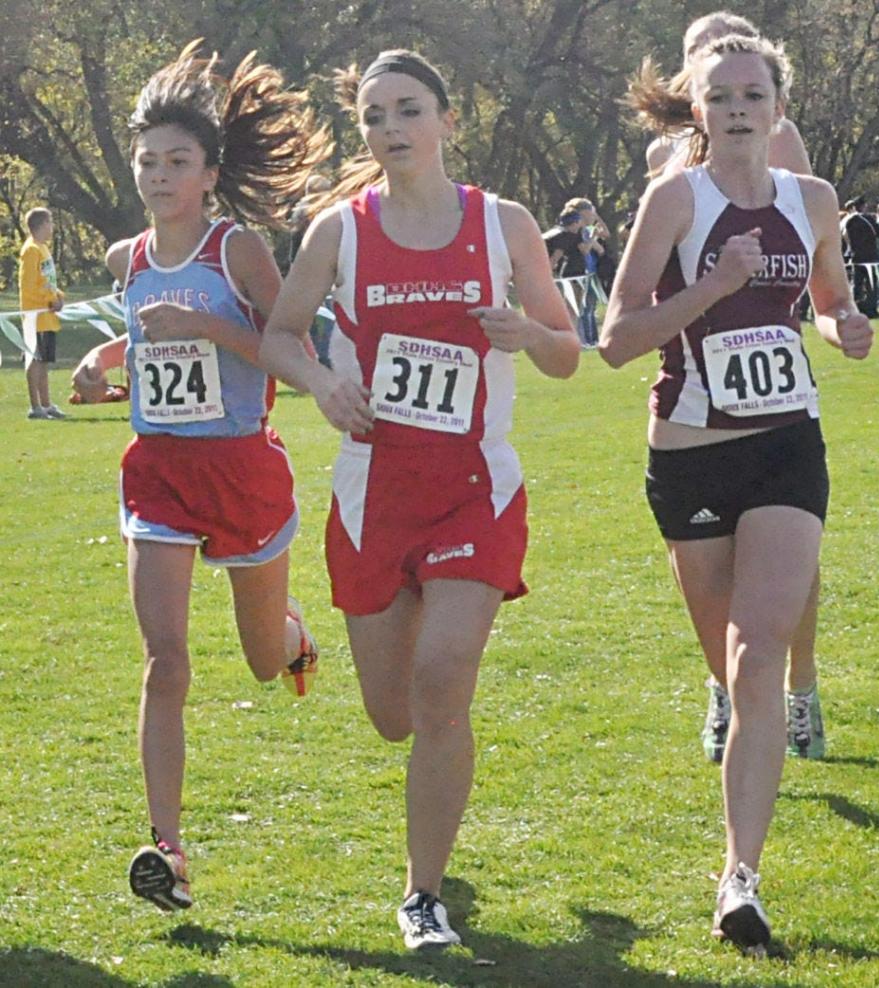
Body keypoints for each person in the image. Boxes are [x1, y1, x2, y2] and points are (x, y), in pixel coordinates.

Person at [258, 49, 579, 950]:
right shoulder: (340, 230)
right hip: (373, 494)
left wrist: (527, 332)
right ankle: (419, 756)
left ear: (444, 120)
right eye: (373, 117)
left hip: (476, 490)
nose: (390, 130)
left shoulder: (505, 224)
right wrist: (323, 383)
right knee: (393, 715)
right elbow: (282, 336)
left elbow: (566, 350)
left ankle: (421, 894)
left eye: (407, 111)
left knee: (443, 682)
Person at [600, 34, 873, 949]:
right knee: (728, 659)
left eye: (754, 95)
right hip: (691, 456)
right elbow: (617, 338)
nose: (739, 111)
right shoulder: (674, 199)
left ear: (779, 107)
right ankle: (733, 714)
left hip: (789, 448)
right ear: (699, 109)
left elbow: (824, 303)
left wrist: (844, 327)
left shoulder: (815, 201)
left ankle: (739, 880)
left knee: (758, 658)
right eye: (721, 98)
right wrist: (713, 284)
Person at [70, 41, 327, 913]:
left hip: (242, 473)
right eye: (147, 161)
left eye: (177, 161)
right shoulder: (127, 260)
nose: (158, 174)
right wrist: (104, 361)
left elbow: (294, 359)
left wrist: (211, 330)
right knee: (166, 660)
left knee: (261, 664)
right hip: (160, 476)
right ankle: (167, 851)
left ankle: (292, 634)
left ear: (209, 174)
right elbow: (151, 337)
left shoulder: (239, 250)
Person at [639, 9, 824, 763]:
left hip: (776, 394)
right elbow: (649, 281)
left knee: (791, 555)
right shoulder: (666, 163)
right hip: (691, 382)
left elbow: (809, 234)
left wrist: (834, 318)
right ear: (691, 83)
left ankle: (801, 686)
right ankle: (724, 684)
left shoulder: (781, 146)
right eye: (705, 69)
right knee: (702, 559)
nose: (727, 95)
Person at [644, 11, 812, 178]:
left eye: (717, 45)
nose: (704, 56)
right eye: (693, 51)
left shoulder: (776, 134)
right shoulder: (661, 151)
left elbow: (803, 201)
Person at [19, 207, 66, 420]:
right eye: (50, 223)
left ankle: (47, 404)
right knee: (35, 360)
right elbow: (29, 286)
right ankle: (35, 406)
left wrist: (59, 296)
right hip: (34, 316)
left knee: (44, 361)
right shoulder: (30, 251)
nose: (52, 228)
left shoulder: (43, 248)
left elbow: (48, 282)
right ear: (41, 224)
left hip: (47, 316)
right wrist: (49, 300)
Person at [842, 196, 879, 318]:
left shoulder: (850, 221)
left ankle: (854, 308)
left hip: (856, 255)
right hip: (870, 256)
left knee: (856, 284)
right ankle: (871, 308)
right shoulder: (869, 219)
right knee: (871, 283)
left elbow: (845, 235)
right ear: (864, 206)